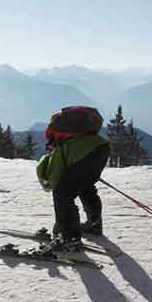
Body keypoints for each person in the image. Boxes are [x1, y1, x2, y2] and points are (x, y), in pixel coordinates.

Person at [36, 106, 110, 253]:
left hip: (87, 154)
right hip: (101, 147)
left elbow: (57, 180)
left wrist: (59, 228)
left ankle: (69, 239)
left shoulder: (59, 148)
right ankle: (94, 224)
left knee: (62, 194)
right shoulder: (71, 136)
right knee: (85, 187)